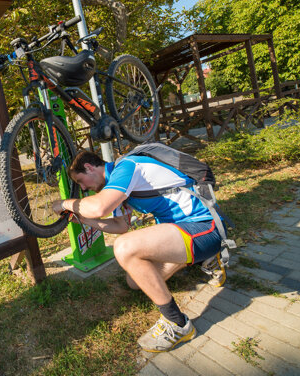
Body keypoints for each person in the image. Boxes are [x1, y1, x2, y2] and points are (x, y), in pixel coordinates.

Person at [52, 150, 225, 353]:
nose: (83, 188)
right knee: (134, 281)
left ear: (90, 168)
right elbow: (120, 225)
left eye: (81, 181)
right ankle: (205, 258)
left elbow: (99, 208)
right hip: (179, 233)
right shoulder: (116, 185)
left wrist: (64, 203)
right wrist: (81, 218)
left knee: (124, 247)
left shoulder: (127, 167)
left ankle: (178, 324)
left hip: (204, 227)